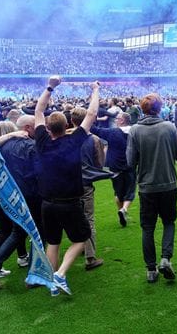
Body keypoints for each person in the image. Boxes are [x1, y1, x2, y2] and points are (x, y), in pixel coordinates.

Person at [34, 77, 99, 296]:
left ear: (48, 128)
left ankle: (53, 284)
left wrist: (50, 86)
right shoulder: (74, 141)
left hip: (47, 203)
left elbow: (38, 110)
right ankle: (60, 274)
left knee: (53, 243)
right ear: (67, 126)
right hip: (69, 203)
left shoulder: (41, 141)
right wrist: (95, 90)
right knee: (81, 238)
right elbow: (90, 115)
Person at [126, 93, 177, 283]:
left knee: (148, 228)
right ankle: (166, 258)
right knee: (169, 222)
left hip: (146, 187)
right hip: (168, 184)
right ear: (159, 108)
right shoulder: (169, 127)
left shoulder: (135, 130)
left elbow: (130, 161)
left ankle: (151, 269)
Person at [0, 116, 42, 290]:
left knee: (18, 231)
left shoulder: (2, 145)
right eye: (37, 126)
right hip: (29, 194)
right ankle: (33, 275)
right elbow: (39, 171)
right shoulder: (30, 145)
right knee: (35, 231)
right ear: (27, 128)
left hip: (9, 193)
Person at [69, 107, 107, 271]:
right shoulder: (94, 139)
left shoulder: (65, 137)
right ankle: (90, 257)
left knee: (72, 217)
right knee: (88, 219)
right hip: (84, 183)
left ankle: (79, 246)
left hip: (66, 183)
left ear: (72, 121)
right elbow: (99, 164)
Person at [91, 112, 135, 228]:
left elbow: (95, 129)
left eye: (117, 119)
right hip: (130, 164)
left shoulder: (113, 133)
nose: (115, 120)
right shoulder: (135, 131)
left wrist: (93, 114)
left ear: (122, 121)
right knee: (130, 191)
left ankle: (121, 210)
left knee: (118, 192)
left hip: (115, 166)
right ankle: (124, 209)